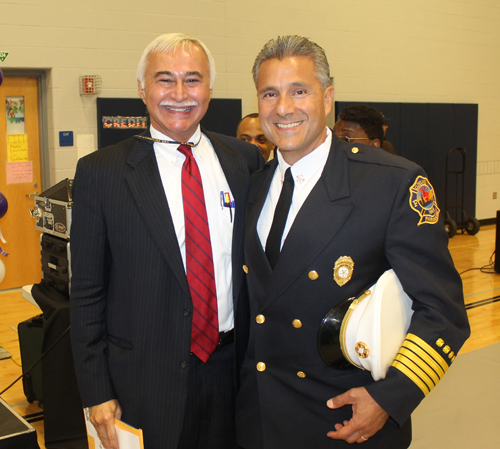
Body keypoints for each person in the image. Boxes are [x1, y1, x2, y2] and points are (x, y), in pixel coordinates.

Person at [235, 35, 470, 449]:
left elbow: (443, 312)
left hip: (346, 422)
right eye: (270, 93)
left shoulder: (391, 183)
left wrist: (390, 397)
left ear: (327, 99)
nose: (284, 107)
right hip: (260, 419)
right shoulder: (252, 187)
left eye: (299, 91)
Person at [70, 33, 263, 449]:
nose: (180, 94)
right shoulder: (101, 173)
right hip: (142, 380)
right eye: (164, 80)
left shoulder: (243, 161)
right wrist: (96, 390)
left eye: (192, 80)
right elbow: (86, 291)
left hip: (232, 370)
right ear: (142, 89)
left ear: (210, 89)